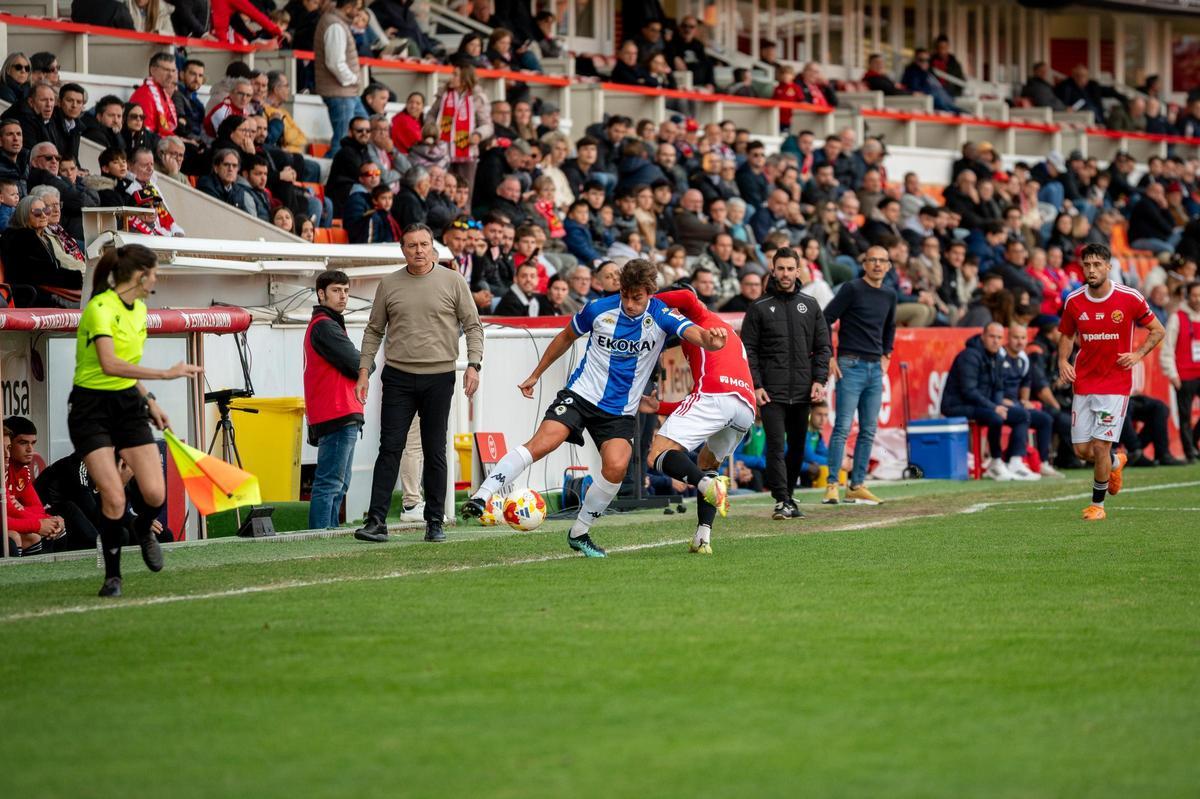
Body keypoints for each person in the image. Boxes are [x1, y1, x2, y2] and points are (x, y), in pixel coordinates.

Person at [462, 259, 726, 557]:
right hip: (581, 395)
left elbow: (699, 335)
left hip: (620, 412)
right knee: (543, 442)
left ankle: (579, 532)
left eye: (636, 298)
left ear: (651, 293)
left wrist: (712, 341)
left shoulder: (662, 315)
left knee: (615, 467)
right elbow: (565, 337)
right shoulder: (598, 309)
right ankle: (482, 496)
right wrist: (536, 374)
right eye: (625, 294)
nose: (629, 303)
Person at [72, 244, 202, 595]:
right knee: (113, 497)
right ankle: (113, 577)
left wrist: (151, 401)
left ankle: (143, 529)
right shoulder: (99, 308)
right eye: (155, 272)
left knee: (155, 493)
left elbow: (126, 374)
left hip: (128, 404)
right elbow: (109, 364)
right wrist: (166, 374)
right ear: (141, 274)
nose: (157, 278)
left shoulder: (140, 310)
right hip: (91, 408)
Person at [354, 224, 484, 543]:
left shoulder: (453, 281)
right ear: (403, 249)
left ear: (432, 247)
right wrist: (363, 370)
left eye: (424, 244)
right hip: (397, 375)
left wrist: (473, 365)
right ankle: (376, 521)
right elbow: (374, 330)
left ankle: (435, 521)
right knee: (390, 448)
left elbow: (473, 325)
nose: (418, 250)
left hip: (439, 376)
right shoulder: (388, 284)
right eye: (412, 245)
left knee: (434, 449)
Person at [644, 287, 756, 553]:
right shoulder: (720, 329)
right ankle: (703, 537)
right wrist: (661, 406)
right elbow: (702, 397)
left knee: (657, 455)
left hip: (717, 396)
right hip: (745, 406)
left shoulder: (698, 315)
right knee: (706, 462)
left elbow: (685, 296)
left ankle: (709, 486)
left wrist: (645, 302)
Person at [1058, 243, 1165, 520]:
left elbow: (1157, 330)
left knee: (1100, 446)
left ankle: (1098, 505)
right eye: (1087, 265)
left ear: (1108, 266)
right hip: (1084, 381)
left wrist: (1138, 354)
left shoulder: (1129, 298)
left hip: (1115, 384)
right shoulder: (1074, 300)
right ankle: (1117, 463)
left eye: (1096, 265)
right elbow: (1067, 335)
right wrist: (1062, 361)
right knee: (1082, 451)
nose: (1091, 270)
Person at [742, 247, 832, 519]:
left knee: (796, 448)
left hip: (803, 391)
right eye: (780, 268)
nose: (785, 274)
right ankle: (781, 499)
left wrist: (819, 379)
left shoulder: (811, 305)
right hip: (771, 391)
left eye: (790, 268)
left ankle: (789, 496)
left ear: (798, 270)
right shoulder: (758, 308)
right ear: (772, 270)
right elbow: (749, 350)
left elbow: (823, 347)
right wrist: (756, 385)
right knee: (775, 446)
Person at [821, 245, 897, 506]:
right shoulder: (852, 289)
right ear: (864, 264)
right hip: (850, 364)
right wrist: (829, 356)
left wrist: (887, 355)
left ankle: (857, 485)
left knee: (868, 430)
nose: (877, 264)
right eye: (872, 260)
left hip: (875, 367)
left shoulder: (889, 294)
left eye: (882, 260)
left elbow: (890, 328)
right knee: (842, 427)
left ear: (888, 266)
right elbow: (825, 319)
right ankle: (832, 484)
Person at [304, 271, 367, 530]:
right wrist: (366, 364)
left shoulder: (326, 324)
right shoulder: (324, 325)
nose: (343, 296)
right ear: (321, 294)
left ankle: (327, 533)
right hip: (337, 413)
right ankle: (320, 537)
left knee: (338, 484)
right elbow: (358, 364)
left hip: (336, 413)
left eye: (346, 290)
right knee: (331, 484)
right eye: (336, 290)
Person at [940, 322, 1040, 480]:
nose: (995, 341)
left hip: (982, 405)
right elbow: (968, 391)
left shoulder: (998, 357)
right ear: (983, 337)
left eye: (999, 337)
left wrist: (998, 404)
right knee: (996, 417)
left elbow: (999, 388)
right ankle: (996, 462)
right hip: (957, 405)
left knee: (1022, 415)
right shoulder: (969, 356)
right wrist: (994, 407)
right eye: (992, 336)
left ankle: (1015, 461)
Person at [0, 195, 83, 307]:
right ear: (24, 216)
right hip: (33, 297)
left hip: (48, 292)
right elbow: (41, 274)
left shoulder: (41, 237)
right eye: (37, 212)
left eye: (46, 210)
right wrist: (79, 278)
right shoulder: (22, 238)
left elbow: (51, 269)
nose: (44, 215)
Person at [5, 417, 68, 552]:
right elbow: (8, 512)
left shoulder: (23, 471)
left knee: (58, 524)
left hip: (13, 521)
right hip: (7, 525)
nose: (30, 449)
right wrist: (39, 523)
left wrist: (48, 520)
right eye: (23, 443)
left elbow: (37, 507)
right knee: (25, 536)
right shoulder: (4, 469)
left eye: (33, 443)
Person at [315, 0, 367, 155]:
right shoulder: (335, 26)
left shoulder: (337, 22)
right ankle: (332, 176)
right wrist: (354, 79)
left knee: (365, 130)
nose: (359, 13)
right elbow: (334, 63)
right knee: (341, 141)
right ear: (348, 7)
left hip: (347, 94)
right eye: (357, 8)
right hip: (341, 94)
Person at [1159, 281, 1200, 461]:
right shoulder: (1177, 318)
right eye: (1194, 295)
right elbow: (1167, 348)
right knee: (1185, 416)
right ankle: (1189, 451)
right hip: (1184, 375)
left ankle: (1194, 441)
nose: (1198, 299)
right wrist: (1172, 374)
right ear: (1187, 296)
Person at [129, 52, 180, 138]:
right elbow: (146, 133)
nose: (171, 75)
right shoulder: (145, 94)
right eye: (166, 70)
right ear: (153, 70)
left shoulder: (162, 93)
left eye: (173, 70)